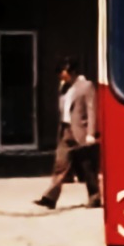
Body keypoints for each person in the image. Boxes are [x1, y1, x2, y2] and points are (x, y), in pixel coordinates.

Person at [35, 58, 100, 209]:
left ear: (71, 72)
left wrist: (91, 132)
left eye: (62, 73)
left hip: (81, 131)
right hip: (66, 131)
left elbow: (92, 110)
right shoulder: (64, 88)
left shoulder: (86, 86)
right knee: (60, 164)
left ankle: (95, 197)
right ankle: (50, 198)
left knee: (87, 167)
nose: (60, 76)